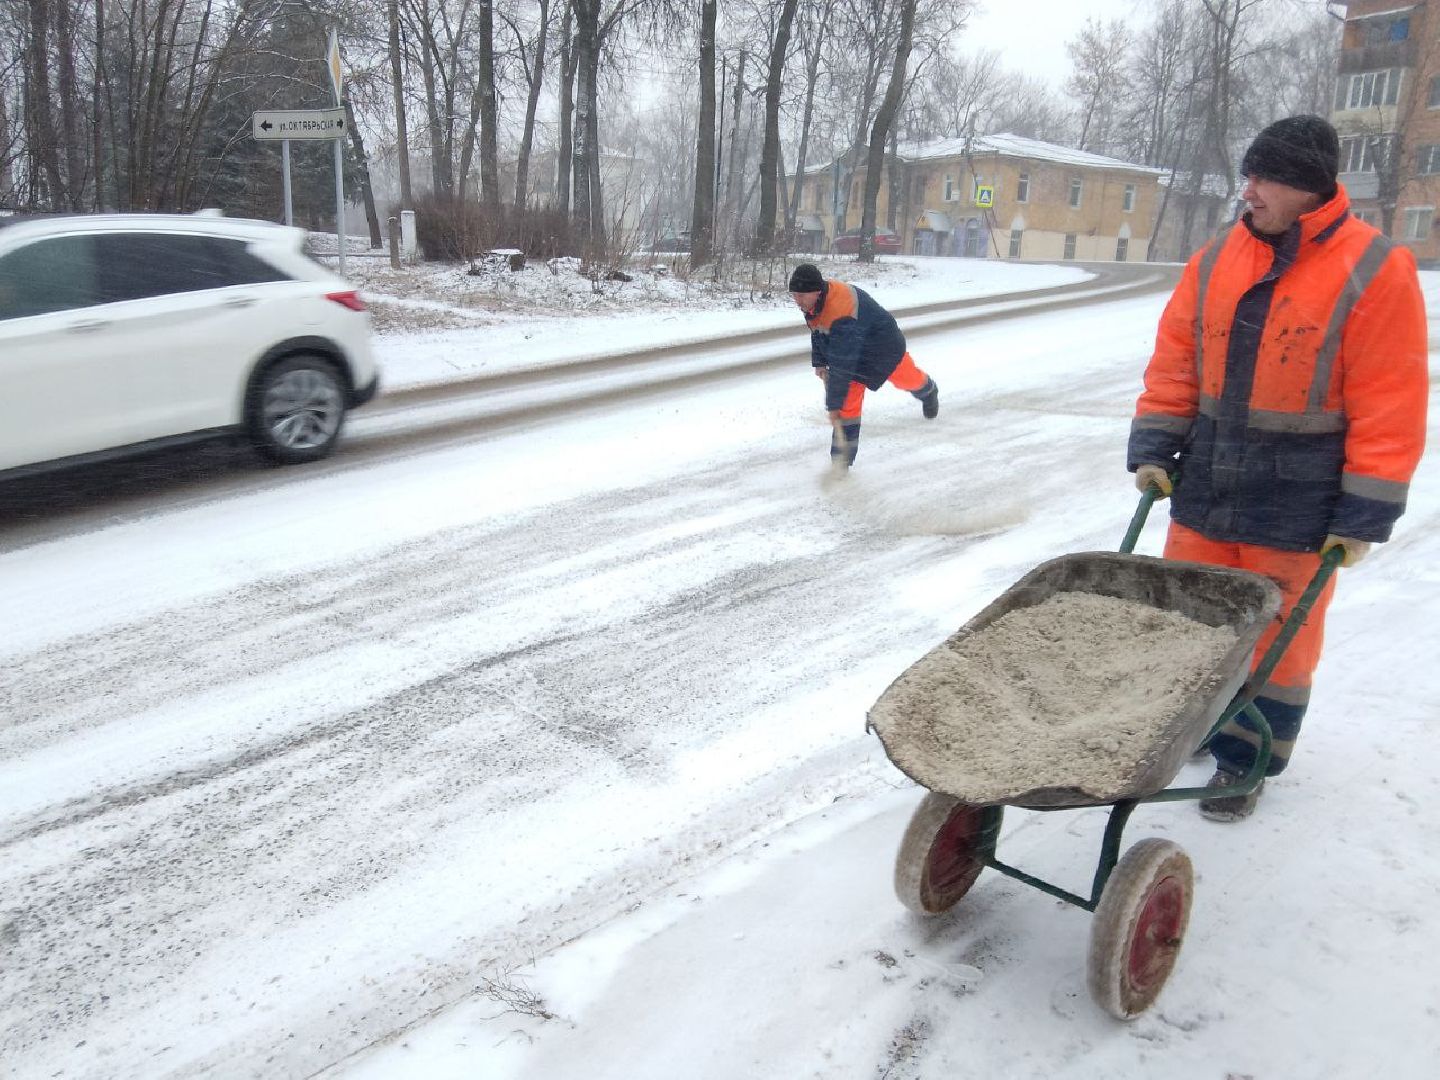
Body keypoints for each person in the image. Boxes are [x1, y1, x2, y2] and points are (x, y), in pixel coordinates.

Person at [1128, 114, 1428, 822]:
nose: (1249, 190)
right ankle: (1193, 727)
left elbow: (1390, 398)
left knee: (1277, 638)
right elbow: (1176, 360)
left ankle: (1247, 759)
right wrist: (1156, 447)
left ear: (1305, 187)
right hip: (1207, 481)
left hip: (1300, 498)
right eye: (1250, 176)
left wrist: (1363, 514)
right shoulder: (1216, 258)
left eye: (1263, 178)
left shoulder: (1374, 267)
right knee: (1189, 618)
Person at [787, 262, 939, 469]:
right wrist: (820, 361)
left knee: (908, 379)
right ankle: (841, 463)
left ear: (816, 291)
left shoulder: (840, 310)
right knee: (848, 408)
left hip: (883, 348)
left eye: (801, 296)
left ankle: (928, 391)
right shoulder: (813, 303)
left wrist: (833, 405)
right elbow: (819, 330)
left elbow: (842, 365)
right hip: (853, 350)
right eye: (794, 295)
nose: (797, 301)